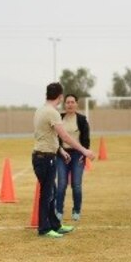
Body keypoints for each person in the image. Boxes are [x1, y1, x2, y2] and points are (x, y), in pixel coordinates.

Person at [34, 83, 95, 238]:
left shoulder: (40, 110)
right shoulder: (52, 113)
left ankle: (55, 225)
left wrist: (60, 150)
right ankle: (44, 229)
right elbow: (65, 137)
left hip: (45, 155)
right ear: (60, 97)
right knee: (47, 194)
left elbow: (48, 135)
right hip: (45, 158)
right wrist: (84, 150)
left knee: (52, 193)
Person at [55, 93, 90, 222]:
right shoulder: (58, 118)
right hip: (62, 154)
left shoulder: (81, 119)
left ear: (76, 104)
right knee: (61, 184)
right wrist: (60, 150)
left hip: (77, 155)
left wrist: (84, 154)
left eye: (72, 102)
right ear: (65, 104)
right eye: (67, 102)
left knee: (76, 184)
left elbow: (86, 139)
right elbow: (55, 136)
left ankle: (76, 210)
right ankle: (58, 211)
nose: (70, 104)